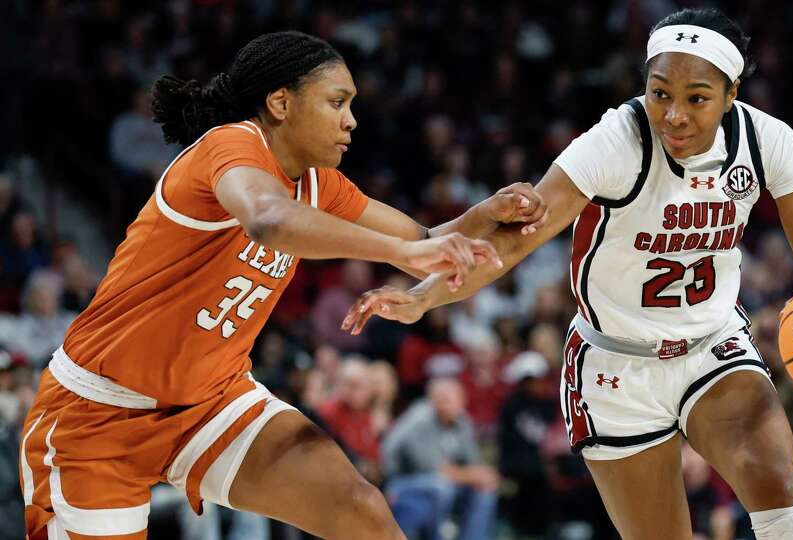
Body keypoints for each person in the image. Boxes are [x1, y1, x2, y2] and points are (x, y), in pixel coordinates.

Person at [342, 8, 793, 539]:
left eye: (697, 99)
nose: (675, 114)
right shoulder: (615, 141)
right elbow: (513, 245)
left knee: (780, 493)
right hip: (615, 365)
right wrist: (422, 298)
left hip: (712, 346)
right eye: (660, 94)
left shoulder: (766, 140)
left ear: (732, 95)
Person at [18, 30, 548, 539]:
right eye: (337, 102)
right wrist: (405, 251)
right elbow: (268, 219)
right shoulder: (230, 146)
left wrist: (488, 212)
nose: (352, 121)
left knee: (360, 509)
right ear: (280, 102)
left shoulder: (321, 183)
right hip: (97, 413)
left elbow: (428, 238)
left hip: (212, 402)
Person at [380, 377, 498, 540]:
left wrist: (482, 475)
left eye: (449, 399)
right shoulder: (420, 420)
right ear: (431, 400)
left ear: (462, 400)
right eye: (440, 398)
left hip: (440, 482)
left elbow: (473, 463)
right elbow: (435, 469)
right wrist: (474, 475)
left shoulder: (462, 421)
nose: (444, 404)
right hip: (400, 484)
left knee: (484, 490)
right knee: (442, 486)